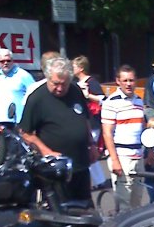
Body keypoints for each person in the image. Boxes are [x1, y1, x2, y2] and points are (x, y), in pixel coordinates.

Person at [19, 57, 96, 203]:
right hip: (56, 171)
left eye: (64, 84)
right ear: (47, 78)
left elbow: (84, 119)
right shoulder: (37, 98)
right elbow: (26, 133)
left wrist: (91, 144)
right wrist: (47, 152)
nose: (60, 88)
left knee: (85, 210)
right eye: (55, 84)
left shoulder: (75, 91)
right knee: (64, 216)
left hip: (80, 165)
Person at [101, 64, 145, 210]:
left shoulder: (139, 100)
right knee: (123, 205)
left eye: (131, 80)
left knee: (137, 203)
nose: (128, 84)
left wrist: (149, 151)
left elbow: (143, 128)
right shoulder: (111, 103)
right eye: (125, 80)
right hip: (122, 158)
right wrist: (115, 161)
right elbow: (107, 133)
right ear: (118, 81)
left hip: (139, 157)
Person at [72, 55, 107, 190]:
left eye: (74, 66)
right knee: (86, 151)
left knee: (89, 151)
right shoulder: (77, 83)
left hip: (93, 121)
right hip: (83, 120)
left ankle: (99, 181)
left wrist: (88, 95)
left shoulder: (91, 82)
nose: (72, 69)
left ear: (81, 68)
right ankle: (98, 180)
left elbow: (103, 99)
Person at [0, 48, 34, 125]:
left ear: (13, 61)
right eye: (2, 61)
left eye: (8, 60)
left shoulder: (23, 75)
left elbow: (35, 95)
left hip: (20, 121)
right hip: (1, 121)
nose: (5, 63)